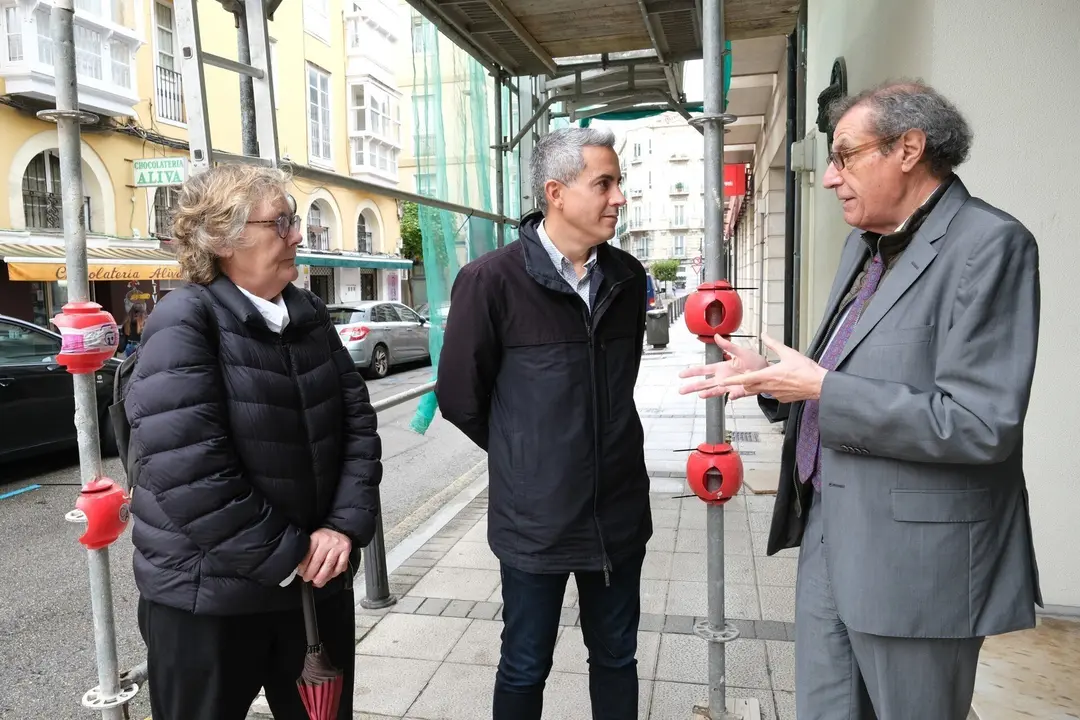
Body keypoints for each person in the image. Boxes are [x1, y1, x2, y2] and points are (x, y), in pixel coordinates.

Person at [679, 81, 1042, 719]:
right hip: (828, 536)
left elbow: (981, 424)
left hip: (920, 564)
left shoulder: (990, 245)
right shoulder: (863, 245)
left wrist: (820, 388)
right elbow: (845, 370)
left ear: (909, 148)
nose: (829, 178)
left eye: (845, 157)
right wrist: (774, 379)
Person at [123, 164, 382, 720]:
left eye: (295, 220)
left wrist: (341, 529)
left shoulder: (308, 312)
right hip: (207, 603)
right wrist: (295, 554)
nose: (298, 234)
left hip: (315, 589)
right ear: (221, 238)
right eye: (281, 221)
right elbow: (191, 474)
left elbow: (359, 425)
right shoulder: (183, 321)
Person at [436, 127, 649, 720]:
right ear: (556, 192)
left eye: (619, 183)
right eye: (603, 184)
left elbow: (621, 380)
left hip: (618, 512)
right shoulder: (491, 281)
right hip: (536, 521)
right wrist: (525, 454)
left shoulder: (629, 279)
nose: (618, 197)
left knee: (617, 657)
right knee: (526, 662)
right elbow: (459, 396)